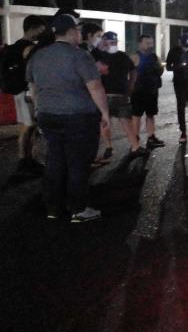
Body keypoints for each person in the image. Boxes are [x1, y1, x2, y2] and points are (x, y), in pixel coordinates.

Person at [25, 13, 110, 222]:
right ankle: (78, 209)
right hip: (78, 117)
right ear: (71, 32)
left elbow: (33, 89)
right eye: (78, 30)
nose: (80, 33)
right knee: (78, 162)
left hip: (47, 116)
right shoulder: (79, 55)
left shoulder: (39, 56)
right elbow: (95, 87)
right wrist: (105, 113)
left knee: (55, 160)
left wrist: (38, 112)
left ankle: (53, 208)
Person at [1, 15, 46, 174]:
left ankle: (28, 159)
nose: (42, 33)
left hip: (19, 91)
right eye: (41, 30)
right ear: (32, 29)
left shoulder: (16, 46)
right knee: (29, 125)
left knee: (28, 126)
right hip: (26, 91)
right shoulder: (29, 48)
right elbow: (31, 71)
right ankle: (24, 160)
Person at [94, 31, 147, 163]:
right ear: (104, 42)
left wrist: (131, 85)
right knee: (105, 123)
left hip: (119, 96)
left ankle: (133, 147)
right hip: (105, 96)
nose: (113, 45)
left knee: (125, 122)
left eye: (115, 42)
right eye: (111, 42)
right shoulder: (99, 57)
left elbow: (133, 71)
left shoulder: (121, 56)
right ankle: (109, 146)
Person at [129, 34, 165, 149]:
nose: (150, 45)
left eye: (151, 43)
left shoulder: (154, 57)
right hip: (138, 92)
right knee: (136, 116)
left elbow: (160, 70)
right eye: (147, 43)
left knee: (151, 115)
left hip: (152, 91)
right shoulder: (134, 57)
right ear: (140, 44)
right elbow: (128, 75)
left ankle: (151, 138)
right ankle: (135, 140)